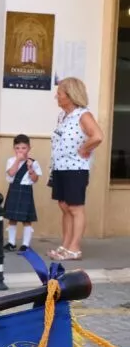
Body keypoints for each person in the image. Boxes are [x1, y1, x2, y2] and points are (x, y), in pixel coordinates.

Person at [47, 77, 103, 262]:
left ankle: (75, 249)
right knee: (64, 206)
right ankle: (65, 246)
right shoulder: (62, 116)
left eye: (60, 93)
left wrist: (84, 148)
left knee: (75, 208)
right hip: (60, 167)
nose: (57, 96)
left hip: (75, 168)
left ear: (70, 96)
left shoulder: (83, 115)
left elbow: (97, 136)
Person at [3, 134, 42, 252]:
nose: (20, 150)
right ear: (14, 148)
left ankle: (25, 244)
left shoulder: (33, 162)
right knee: (12, 218)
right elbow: (10, 173)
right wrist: (18, 161)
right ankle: (11, 242)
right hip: (14, 189)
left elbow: (35, 179)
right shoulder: (10, 161)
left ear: (29, 148)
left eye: (23, 148)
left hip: (26, 190)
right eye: (17, 148)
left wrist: (30, 169)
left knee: (26, 219)